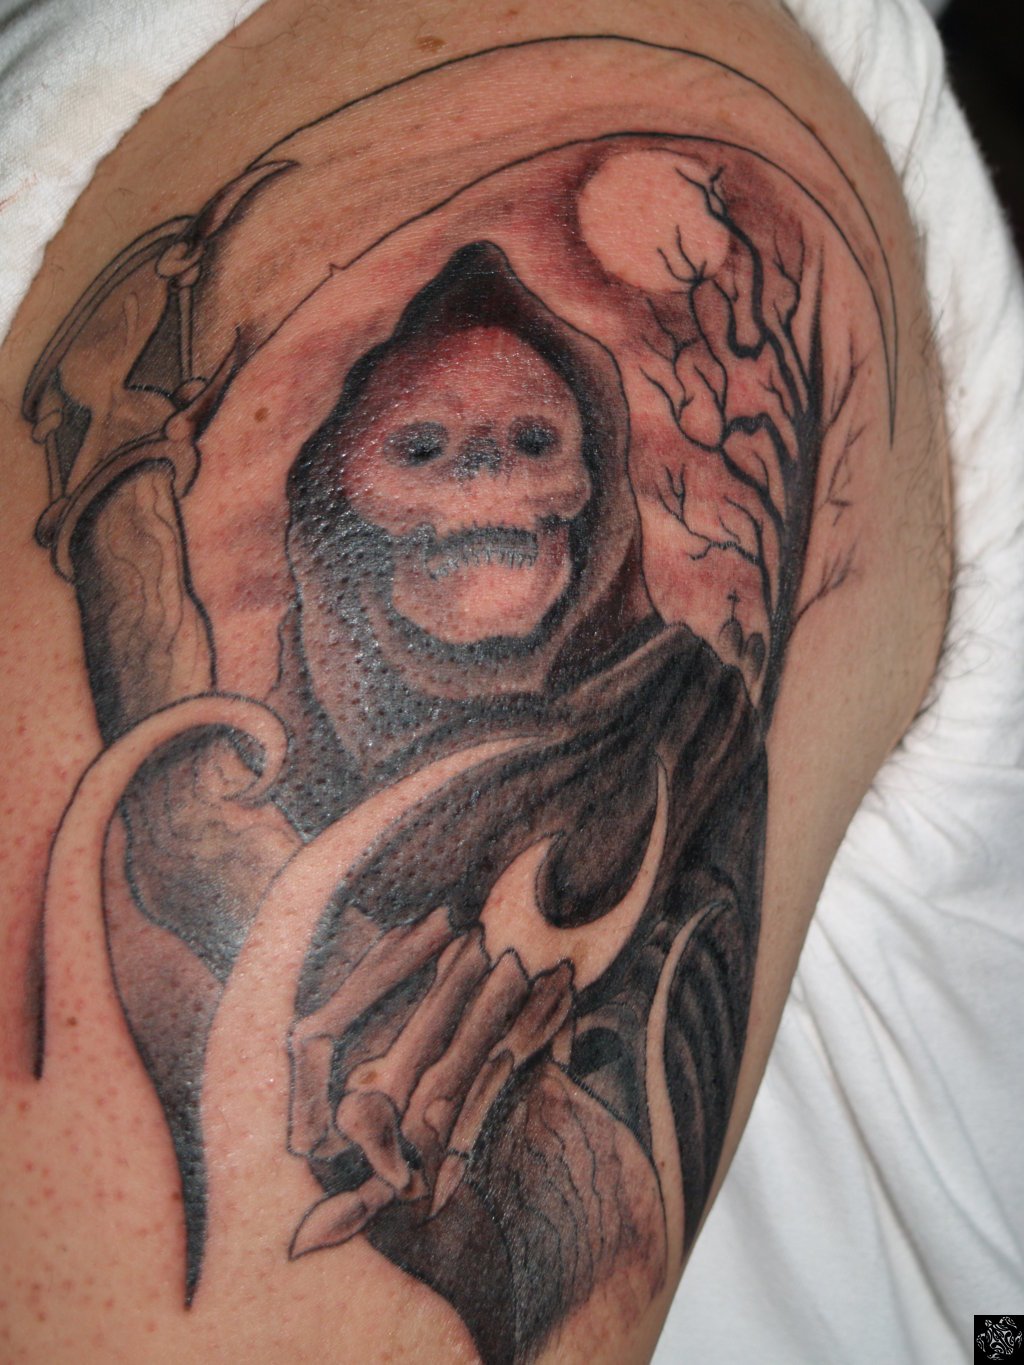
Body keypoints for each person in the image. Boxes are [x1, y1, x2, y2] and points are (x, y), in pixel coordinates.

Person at [0, 1, 1016, 1361]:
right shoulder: (298, 745)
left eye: (534, 442)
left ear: (596, 492)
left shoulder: (672, 723)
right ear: (325, 506)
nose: (486, 474)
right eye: (423, 449)